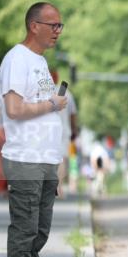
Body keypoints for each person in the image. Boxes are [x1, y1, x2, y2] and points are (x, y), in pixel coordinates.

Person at [0, 2, 68, 257]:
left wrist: (58, 161)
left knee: (40, 229)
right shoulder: (17, 59)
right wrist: (52, 104)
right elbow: (14, 109)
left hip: (45, 158)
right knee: (25, 227)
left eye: (60, 25)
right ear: (34, 26)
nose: (58, 31)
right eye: (53, 25)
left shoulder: (39, 61)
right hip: (25, 157)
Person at [49, 69, 78, 197]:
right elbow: (73, 114)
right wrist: (74, 130)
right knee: (61, 159)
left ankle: (50, 187)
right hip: (63, 130)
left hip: (48, 130)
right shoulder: (67, 93)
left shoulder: (44, 93)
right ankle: (59, 188)